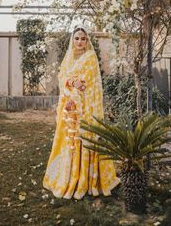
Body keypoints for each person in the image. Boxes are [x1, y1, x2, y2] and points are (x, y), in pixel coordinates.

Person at [43, 27, 120, 199]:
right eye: (77, 38)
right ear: (72, 40)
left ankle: (85, 179)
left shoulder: (90, 58)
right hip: (69, 108)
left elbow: (87, 84)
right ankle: (68, 175)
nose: (79, 42)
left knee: (82, 137)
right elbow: (62, 78)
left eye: (83, 39)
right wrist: (70, 85)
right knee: (68, 139)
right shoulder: (68, 57)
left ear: (87, 41)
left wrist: (75, 93)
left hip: (84, 108)